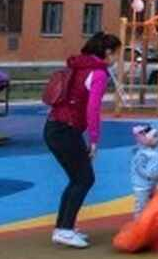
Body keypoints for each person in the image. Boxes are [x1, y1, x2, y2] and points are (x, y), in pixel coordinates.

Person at [44, 33, 117, 248]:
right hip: (65, 129)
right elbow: (93, 109)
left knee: (77, 179)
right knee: (84, 179)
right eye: (116, 53)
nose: (116, 58)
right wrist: (94, 139)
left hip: (54, 127)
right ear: (107, 52)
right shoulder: (98, 73)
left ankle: (63, 227)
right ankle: (65, 229)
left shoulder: (78, 66)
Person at [129, 123, 158, 216]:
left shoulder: (154, 153)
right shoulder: (143, 154)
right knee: (141, 206)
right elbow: (139, 168)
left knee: (152, 204)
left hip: (152, 184)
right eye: (155, 137)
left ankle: (149, 219)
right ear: (147, 139)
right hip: (142, 186)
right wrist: (148, 176)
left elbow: (156, 165)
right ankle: (138, 221)